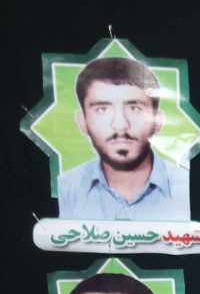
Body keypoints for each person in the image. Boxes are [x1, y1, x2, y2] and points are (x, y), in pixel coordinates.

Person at [58, 57, 189, 220]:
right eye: (102, 109)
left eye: (134, 108)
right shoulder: (65, 188)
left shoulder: (188, 185)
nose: (120, 125)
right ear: (82, 121)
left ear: (158, 121)